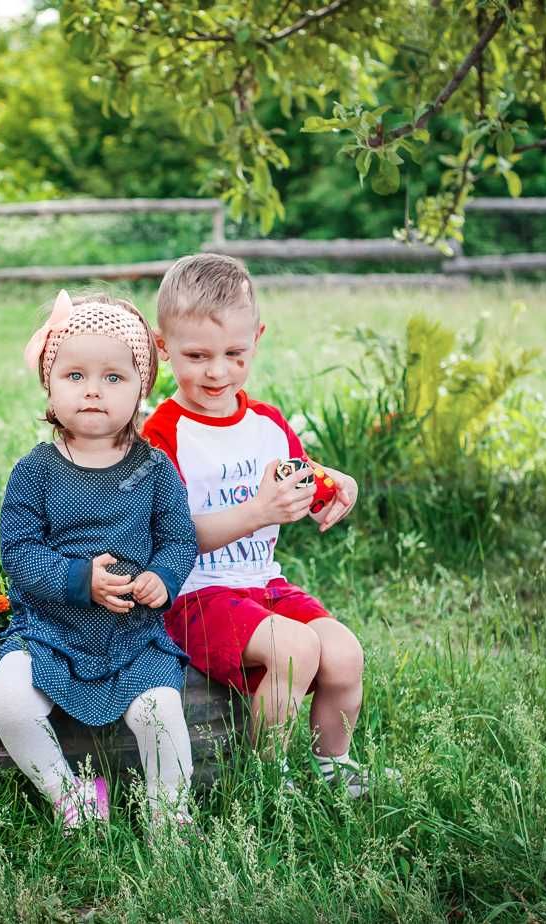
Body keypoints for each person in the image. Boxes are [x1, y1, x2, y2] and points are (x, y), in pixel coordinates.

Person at [143, 254, 391, 796]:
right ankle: (268, 780)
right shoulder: (162, 434)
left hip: (263, 585)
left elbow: (302, 476)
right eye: (197, 356)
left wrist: (334, 483)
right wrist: (258, 512)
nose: (218, 372)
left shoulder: (268, 423)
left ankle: (335, 766)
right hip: (194, 597)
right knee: (296, 647)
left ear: (257, 338)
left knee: (344, 650)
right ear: (163, 348)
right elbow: (170, 540)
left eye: (235, 354)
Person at [0, 289, 198, 831]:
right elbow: (20, 553)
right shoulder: (34, 472)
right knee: (9, 701)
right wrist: (80, 578)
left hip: (133, 637)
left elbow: (179, 539)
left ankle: (166, 818)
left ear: (141, 390)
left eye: (113, 378)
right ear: (49, 386)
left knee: (162, 715)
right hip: (49, 632)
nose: (93, 392)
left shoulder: (154, 470)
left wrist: (162, 576)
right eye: (74, 376)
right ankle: (72, 797)